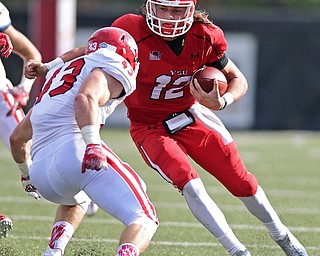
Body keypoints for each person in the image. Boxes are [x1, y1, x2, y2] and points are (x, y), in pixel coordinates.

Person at [24, 1, 308, 255]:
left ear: (190, 10)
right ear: (150, 7)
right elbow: (89, 50)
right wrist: (49, 66)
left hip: (191, 115)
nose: (169, 17)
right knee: (192, 186)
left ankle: (281, 234)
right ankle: (237, 250)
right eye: (163, 8)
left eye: (177, 10)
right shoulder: (130, 28)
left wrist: (223, 100)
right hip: (149, 127)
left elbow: (238, 79)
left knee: (241, 182)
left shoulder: (205, 35)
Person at [10, 27, 158, 256]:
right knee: (144, 217)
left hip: (42, 175)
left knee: (78, 195)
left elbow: (17, 138)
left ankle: (54, 251)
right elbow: (85, 97)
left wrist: (26, 175)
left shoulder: (57, 78)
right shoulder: (111, 63)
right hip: (75, 150)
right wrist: (92, 144)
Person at [0, 1, 41, 239]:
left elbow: (31, 54)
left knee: (38, 164)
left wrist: (23, 89)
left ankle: (83, 195)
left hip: (1, 99)